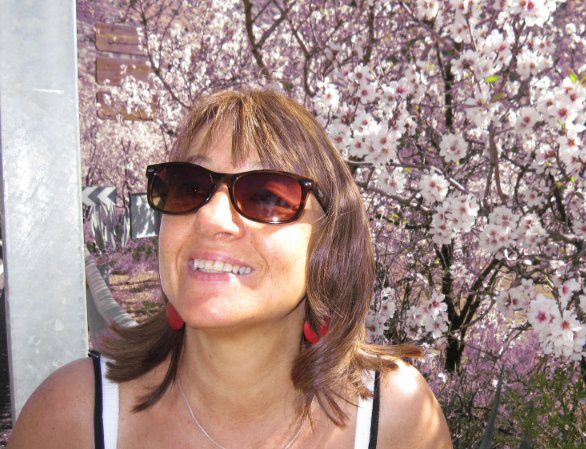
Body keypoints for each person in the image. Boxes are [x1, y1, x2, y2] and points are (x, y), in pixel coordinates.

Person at [8, 89, 452, 448]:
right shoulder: (69, 418)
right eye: (189, 187)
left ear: (329, 243)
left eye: (266, 196)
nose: (211, 218)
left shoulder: (397, 417)